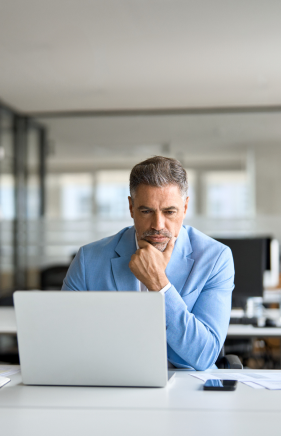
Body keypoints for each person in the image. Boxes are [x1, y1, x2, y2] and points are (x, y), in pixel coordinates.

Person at [62, 156, 235, 370]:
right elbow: (64, 342)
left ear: (185, 207)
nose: (157, 225)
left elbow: (204, 355)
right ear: (131, 207)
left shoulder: (215, 259)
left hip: (186, 386)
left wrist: (159, 285)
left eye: (169, 212)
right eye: (146, 211)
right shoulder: (89, 260)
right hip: (109, 380)